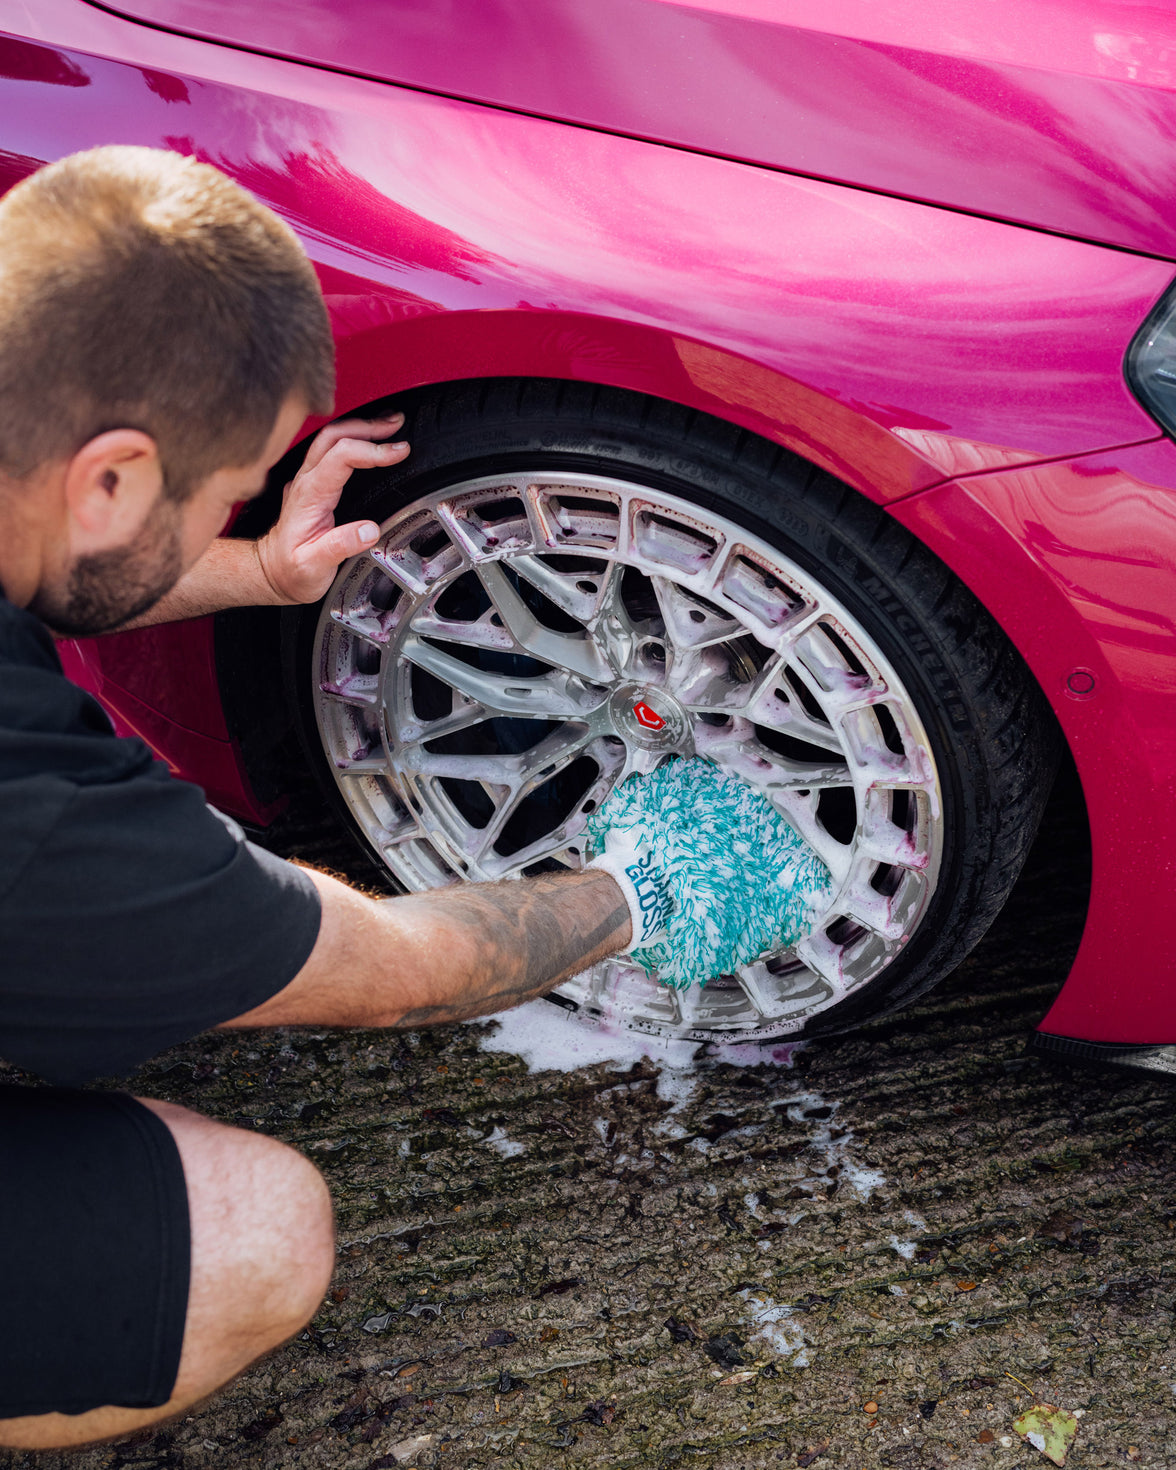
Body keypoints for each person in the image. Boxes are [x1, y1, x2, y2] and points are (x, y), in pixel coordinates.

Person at [0, 147, 679, 1449]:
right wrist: (641, 891)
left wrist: (253, 570)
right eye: (228, 495)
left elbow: (53, 562)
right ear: (111, 481)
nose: (230, 517)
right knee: (258, 1232)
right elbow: (393, 969)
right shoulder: (37, 815)